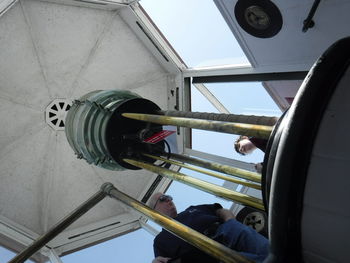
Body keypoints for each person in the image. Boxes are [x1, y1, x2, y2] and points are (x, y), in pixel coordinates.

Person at [150, 193, 269, 263]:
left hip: (228, 231)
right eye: (162, 199)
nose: (169, 200)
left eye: (169, 197)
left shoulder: (191, 209)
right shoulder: (161, 240)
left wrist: (230, 221)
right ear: (153, 210)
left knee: (269, 251)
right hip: (206, 258)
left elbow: (220, 210)